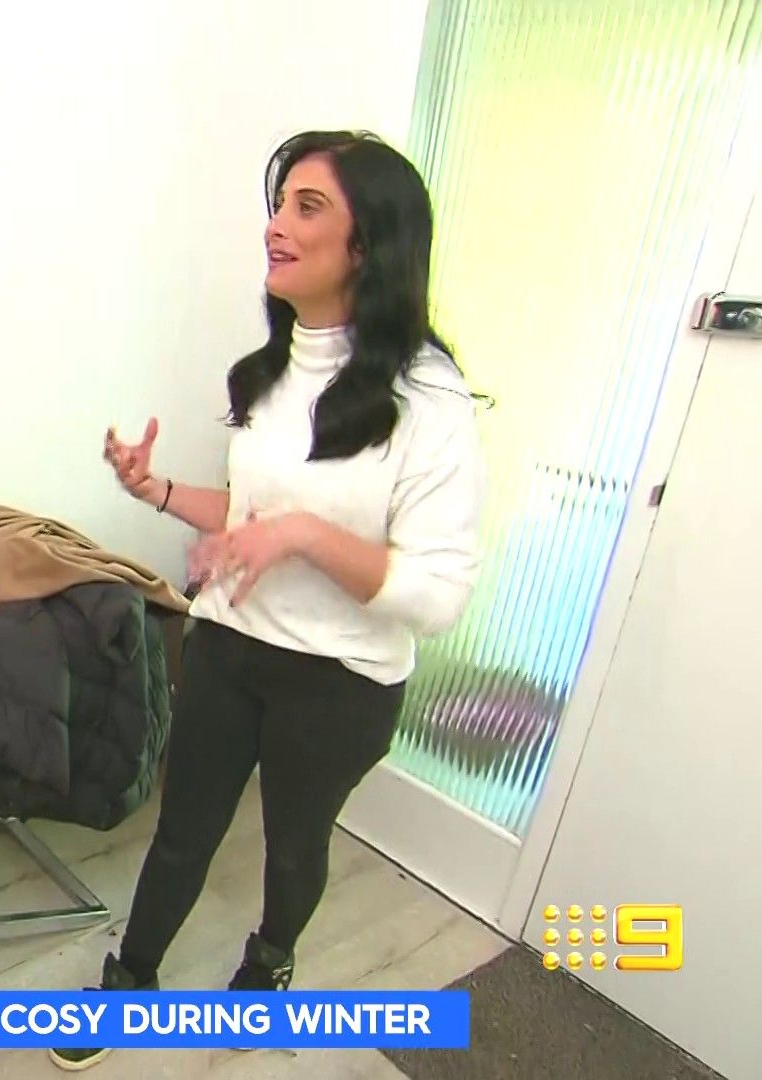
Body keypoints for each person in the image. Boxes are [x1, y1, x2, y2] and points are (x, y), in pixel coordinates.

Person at [50, 130, 487, 1071]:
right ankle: (131, 977)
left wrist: (300, 536)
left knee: (293, 848)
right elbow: (251, 515)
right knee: (182, 832)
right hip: (229, 646)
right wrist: (157, 490)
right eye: (279, 203)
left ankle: (271, 959)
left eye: (307, 207)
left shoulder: (431, 400)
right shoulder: (272, 368)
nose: (275, 226)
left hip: (340, 681)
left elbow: (437, 595)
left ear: (368, 244)